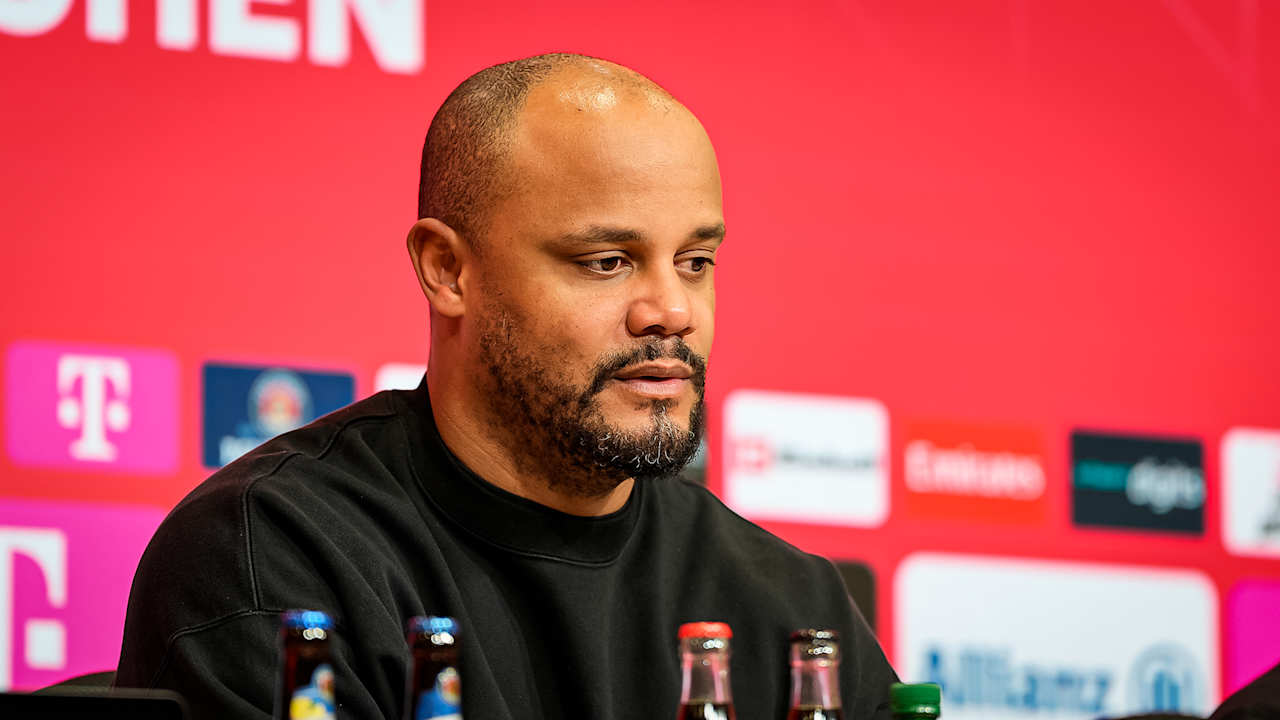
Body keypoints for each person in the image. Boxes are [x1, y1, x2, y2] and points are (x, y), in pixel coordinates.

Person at [114, 53, 897, 719]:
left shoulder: (796, 611)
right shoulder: (278, 562)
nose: (672, 312)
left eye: (696, 261)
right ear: (449, 270)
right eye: (607, 262)